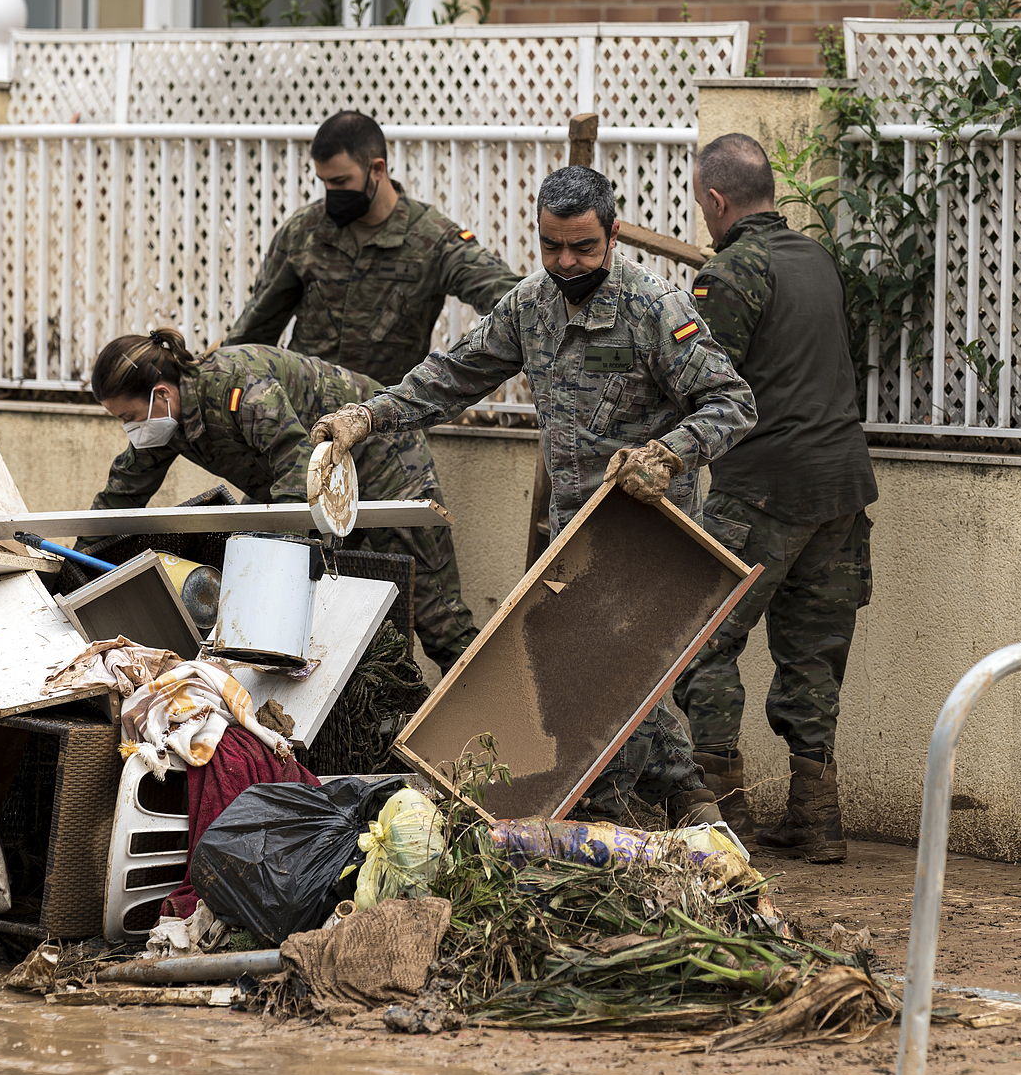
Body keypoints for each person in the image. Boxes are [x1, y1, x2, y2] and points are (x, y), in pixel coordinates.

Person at [309, 165, 757, 825]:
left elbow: (733, 403)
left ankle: (682, 803)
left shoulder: (652, 310)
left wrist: (671, 451)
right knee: (585, 672)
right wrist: (369, 415)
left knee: (617, 664)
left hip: (647, 528)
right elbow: (450, 376)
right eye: (551, 246)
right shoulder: (531, 306)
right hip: (572, 532)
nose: (566, 262)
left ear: (613, 236)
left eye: (583, 246)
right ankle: (639, 813)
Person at [672, 134, 876, 861]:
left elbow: (700, 384)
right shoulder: (817, 259)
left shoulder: (730, 272)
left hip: (761, 490)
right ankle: (817, 818)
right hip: (842, 491)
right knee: (814, 653)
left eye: (703, 206)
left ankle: (725, 815)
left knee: (704, 642)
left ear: (717, 199)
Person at [87, 330, 480, 668]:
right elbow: (122, 493)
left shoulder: (237, 384)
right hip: (305, 475)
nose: (130, 428)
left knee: (435, 613)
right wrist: (68, 571)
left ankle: (484, 719)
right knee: (266, 587)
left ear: (160, 393)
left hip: (382, 456)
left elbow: (295, 463)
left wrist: (276, 573)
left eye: (128, 417)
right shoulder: (164, 419)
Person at [226, 110, 523, 386]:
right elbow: (257, 326)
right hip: (308, 419)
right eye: (324, 182)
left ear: (377, 169)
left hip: (386, 423)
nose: (332, 192)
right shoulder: (305, 231)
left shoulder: (432, 239)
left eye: (341, 181)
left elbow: (511, 300)